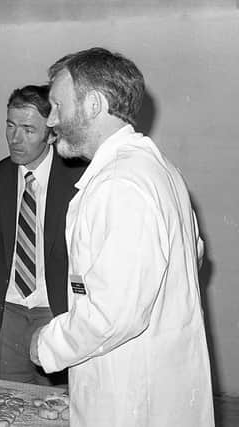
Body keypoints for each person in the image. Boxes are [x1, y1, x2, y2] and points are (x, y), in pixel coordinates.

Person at [30, 47, 214, 426]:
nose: (51, 120)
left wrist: (47, 345)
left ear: (94, 104)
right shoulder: (156, 169)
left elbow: (113, 314)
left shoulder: (120, 183)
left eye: (57, 106)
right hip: (149, 384)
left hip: (131, 397)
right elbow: (189, 258)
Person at [0, 85, 86, 385]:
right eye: (10, 126)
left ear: (52, 133)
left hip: (58, 309)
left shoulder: (80, 178)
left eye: (28, 129)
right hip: (9, 310)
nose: (15, 138)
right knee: (5, 402)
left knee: (59, 407)